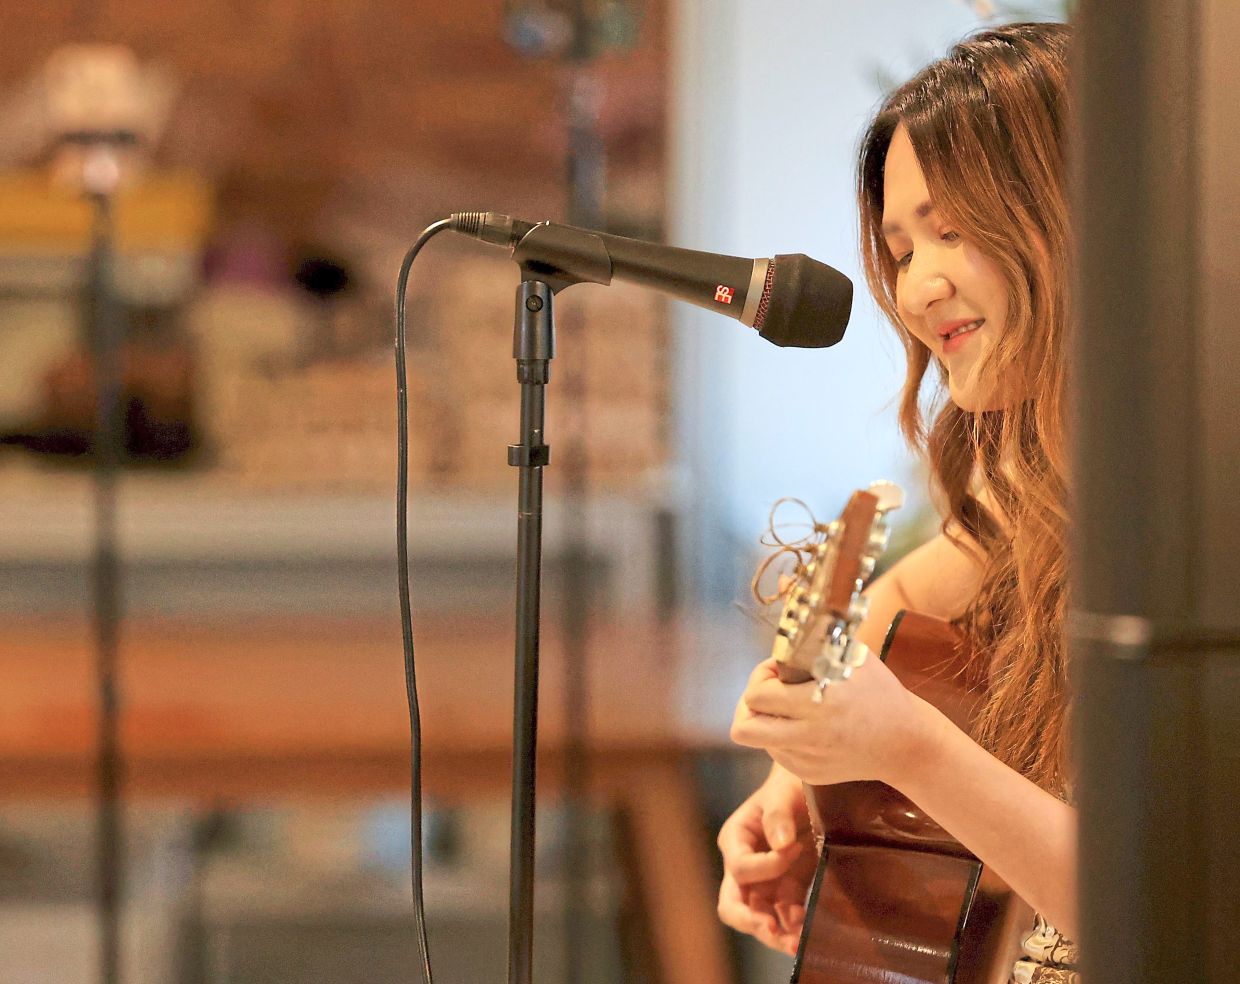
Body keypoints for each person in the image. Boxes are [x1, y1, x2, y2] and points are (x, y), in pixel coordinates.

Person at [717, 22, 1081, 984]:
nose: (917, 288)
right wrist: (794, 775)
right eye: (899, 246)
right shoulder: (1037, 502)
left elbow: (1172, 906)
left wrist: (910, 750)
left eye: (952, 230)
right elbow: (921, 591)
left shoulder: (1201, 511)